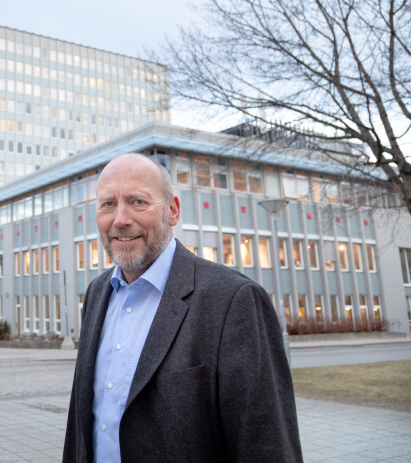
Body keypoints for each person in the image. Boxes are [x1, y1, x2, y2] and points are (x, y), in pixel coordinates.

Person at [63, 153, 302, 462]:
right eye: (108, 204)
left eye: (138, 202)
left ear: (172, 211)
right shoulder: (97, 293)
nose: (120, 219)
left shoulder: (234, 300)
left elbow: (266, 446)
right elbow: (81, 425)